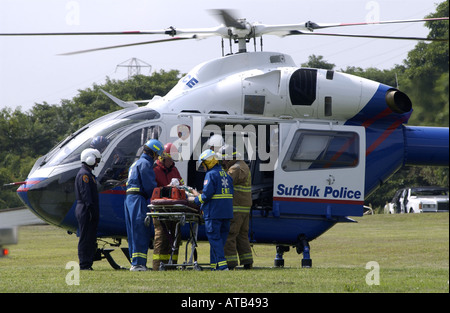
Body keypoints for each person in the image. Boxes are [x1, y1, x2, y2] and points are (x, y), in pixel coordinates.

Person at [124, 138, 164, 271]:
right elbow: (150, 187)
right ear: (153, 153)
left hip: (129, 200)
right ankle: (139, 264)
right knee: (141, 230)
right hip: (138, 199)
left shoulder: (135, 164)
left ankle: (135, 262)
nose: (157, 158)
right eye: (157, 155)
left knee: (133, 231)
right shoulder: (146, 164)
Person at [191, 149, 233, 271]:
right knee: (220, 241)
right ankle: (215, 266)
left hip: (214, 212)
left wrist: (195, 200)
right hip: (226, 212)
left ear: (208, 162)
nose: (203, 167)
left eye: (203, 164)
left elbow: (206, 195)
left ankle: (223, 265)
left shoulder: (210, 175)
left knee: (214, 239)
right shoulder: (226, 174)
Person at [219, 145, 254, 269]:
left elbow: (224, 184)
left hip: (236, 208)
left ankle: (230, 263)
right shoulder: (243, 165)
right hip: (244, 208)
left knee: (230, 235)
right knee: (242, 236)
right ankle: (247, 262)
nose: (223, 162)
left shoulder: (234, 169)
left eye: (224, 159)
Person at [152, 143, 185, 270]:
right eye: (170, 159)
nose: (171, 162)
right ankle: (157, 266)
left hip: (174, 209)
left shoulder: (174, 170)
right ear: (163, 157)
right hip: (160, 210)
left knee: (176, 236)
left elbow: (182, 184)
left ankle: (172, 265)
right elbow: (153, 190)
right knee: (162, 237)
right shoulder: (155, 170)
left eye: (173, 159)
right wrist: (167, 189)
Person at [74, 148, 102, 270]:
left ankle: (88, 262)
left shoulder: (88, 174)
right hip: (86, 208)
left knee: (90, 237)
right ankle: (84, 264)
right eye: (96, 160)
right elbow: (86, 195)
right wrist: (90, 210)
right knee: (86, 237)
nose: (97, 163)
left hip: (88, 208)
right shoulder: (84, 175)